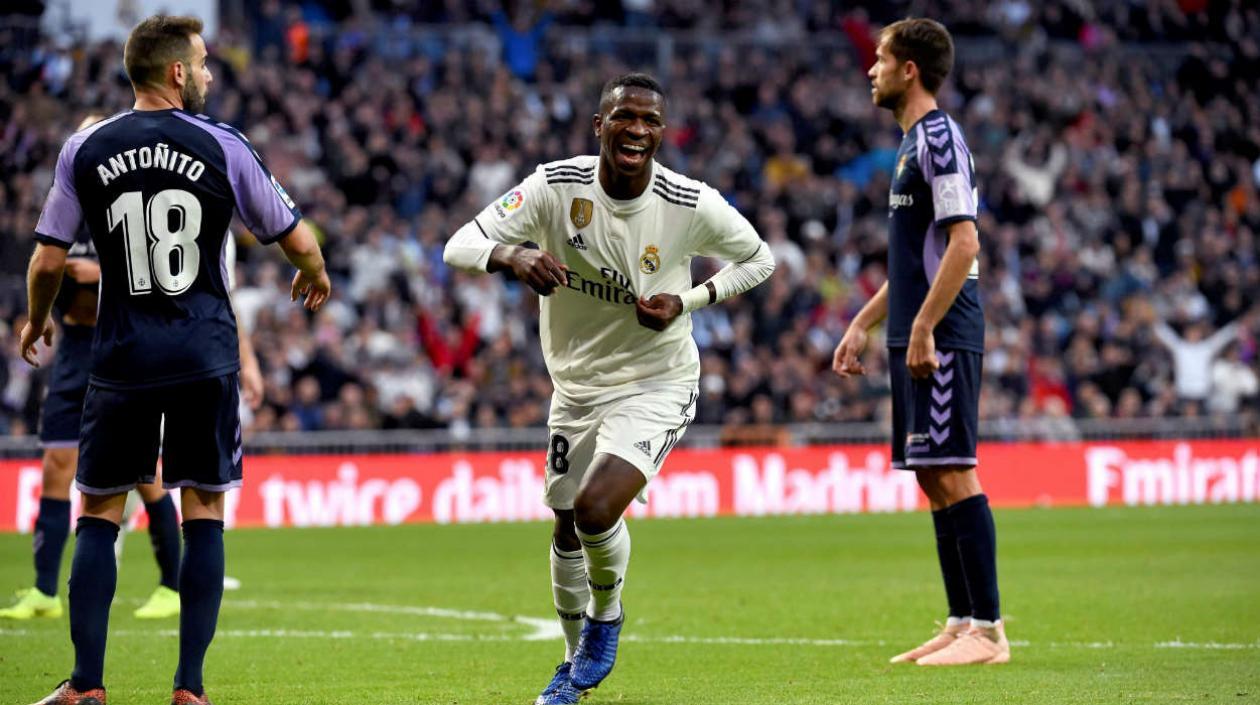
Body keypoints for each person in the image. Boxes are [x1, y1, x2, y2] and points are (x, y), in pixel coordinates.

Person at [20, 14, 330, 705]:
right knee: (204, 512)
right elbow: (294, 234)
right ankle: (189, 688)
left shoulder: (86, 148)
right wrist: (315, 270)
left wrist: (37, 320)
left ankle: (86, 685)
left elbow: (46, 258)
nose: (211, 74)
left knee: (98, 512)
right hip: (205, 353)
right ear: (176, 73)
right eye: (204, 62)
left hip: (122, 355)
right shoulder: (221, 142)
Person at [444, 73, 774, 703]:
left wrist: (690, 298)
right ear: (600, 125)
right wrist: (510, 257)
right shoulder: (554, 187)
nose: (638, 130)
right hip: (574, 387)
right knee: (566, 526)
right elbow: (460, 244)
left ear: (661, 133)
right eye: (625, 117)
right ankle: (571, 670)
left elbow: (761, 258)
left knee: (597, 509)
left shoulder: (688, 202)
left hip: (657, 379)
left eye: (650, 121)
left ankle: (608, 615)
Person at [1, 118, 264, 625]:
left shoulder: (126, 206)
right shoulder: (69, 207)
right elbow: (46, 267)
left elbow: (159, 272)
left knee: (144, 479)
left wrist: (98, 274)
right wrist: (41, 314)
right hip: (75, 349)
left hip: (122, 347)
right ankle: (43, 589)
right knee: (56, 466)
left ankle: (169, 580)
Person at [832, 18, 1009, 666]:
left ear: (910, 69)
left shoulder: (940, 140)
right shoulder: (912, 147)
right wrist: (864, 321)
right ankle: (962, 618)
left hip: (944, 332)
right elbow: (916, 260)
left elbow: (964, 243)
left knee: (955, 470)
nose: (869, 69)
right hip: (914, 331)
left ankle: (988, 631)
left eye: (880, 59)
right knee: (932, 476)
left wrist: (929, 326)